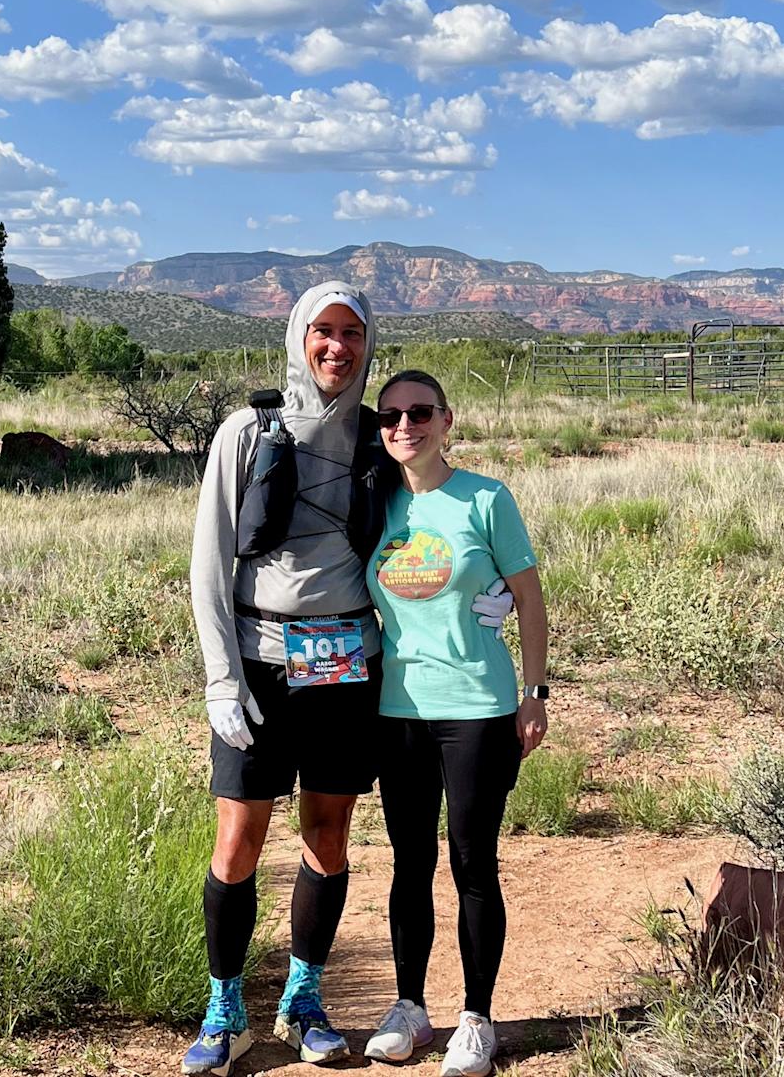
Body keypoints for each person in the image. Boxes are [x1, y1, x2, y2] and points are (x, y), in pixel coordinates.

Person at [184, 286, 513, 1076]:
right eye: (323, 332)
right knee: (238, 839)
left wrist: (484, 594)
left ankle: (304, 999)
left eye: (353, 334)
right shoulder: (246, 431)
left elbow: (429, 523)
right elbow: (206, 564)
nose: (338, 347)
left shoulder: (378, 437)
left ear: (369, 345)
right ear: (298, 338)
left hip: (347, 667)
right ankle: (224, 1007)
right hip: (261, 664)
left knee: (327, 835)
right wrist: (221, 680)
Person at [359, 370, 549, 1077]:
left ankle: (476, 1017)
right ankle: (409, 1008)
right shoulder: (375, 505)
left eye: (419, 413)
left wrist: (534, 692)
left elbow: (529, 600)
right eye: (390, 417)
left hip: (477, 707)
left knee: (473, 863)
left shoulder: (487, 498)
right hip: (398, 710)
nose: (404, 426)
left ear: (446, 420)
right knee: (409, 863)